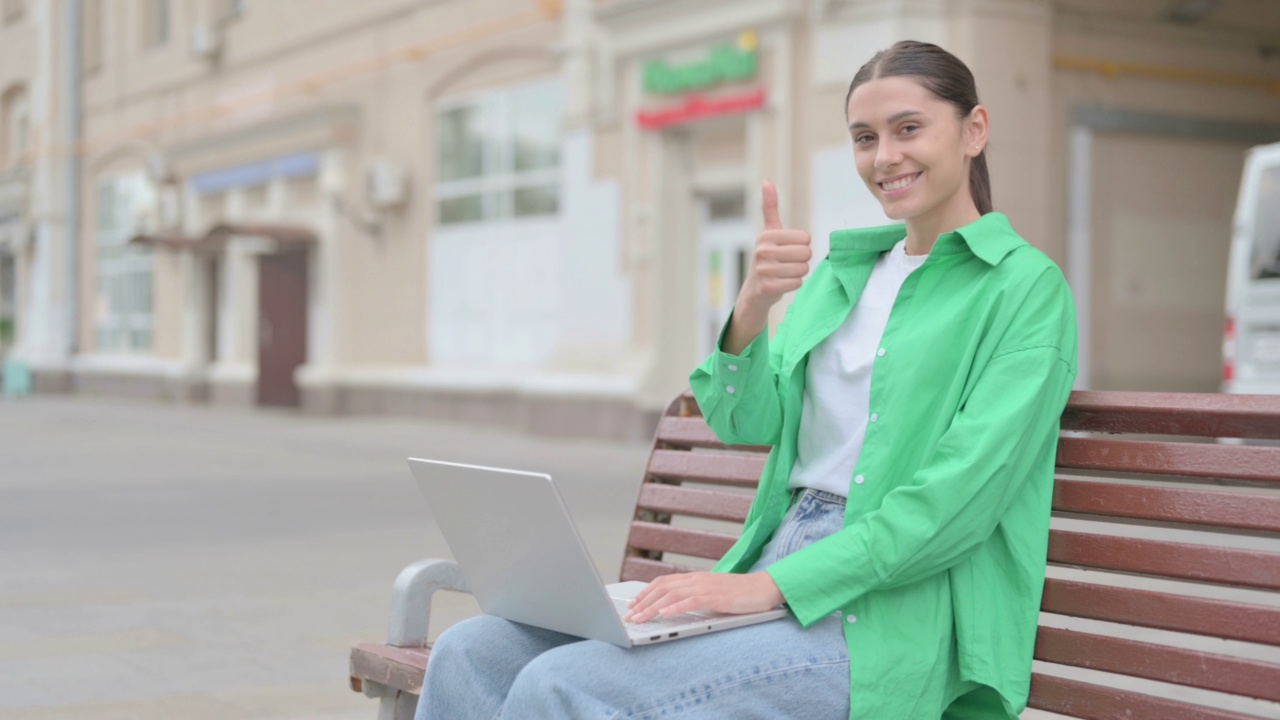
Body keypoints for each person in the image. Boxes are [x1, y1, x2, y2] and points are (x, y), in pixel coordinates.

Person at [414, 39, 1077, 720]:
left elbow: (956, 504)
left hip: (893, 617)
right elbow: (745, 421)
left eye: (909, 128)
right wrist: (752, 305)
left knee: (564, 686)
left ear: (974, 130)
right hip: (777, 559)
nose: (884, 157)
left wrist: (771, 588)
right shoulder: (843, 275)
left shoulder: (1024, 290)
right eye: (863, 137)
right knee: (473, 650)